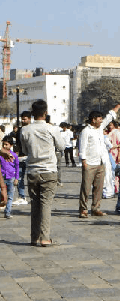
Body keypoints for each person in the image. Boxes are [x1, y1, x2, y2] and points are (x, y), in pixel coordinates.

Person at [20, 99, 68, 246]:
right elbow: (62, 146)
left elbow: (25, 150)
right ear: (45, 113)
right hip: (49, 170)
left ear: (32, 113)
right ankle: (45, 237)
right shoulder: (51, 129)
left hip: (32, 170)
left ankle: (34, 237)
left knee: (34, 204)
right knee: (46, 204)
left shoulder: (25, 130)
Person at [78, 97, 120, 218]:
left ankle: (96, 208)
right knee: (86, 188)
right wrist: (84, 162)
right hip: (89, 163)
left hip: (101, 163)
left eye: (101, 119)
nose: (101, 121)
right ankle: (83, 209)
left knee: (99, 188)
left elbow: (110, 116)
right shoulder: (86, 131)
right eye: (99, 119)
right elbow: (82, 148)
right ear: (93, 120)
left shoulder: (100, 128)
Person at [1, 136, 20, 218]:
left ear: (11, 145)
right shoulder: (1, 155)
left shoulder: (14, 155)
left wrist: (16, 178)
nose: (4, 146)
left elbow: (17, 167)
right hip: (2, 178)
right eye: (3, 144)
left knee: (10, 196)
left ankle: (7, 212)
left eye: (6, 144)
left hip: (11, 178)